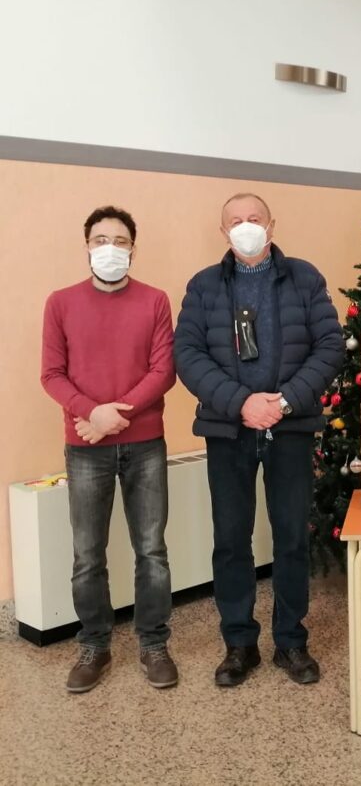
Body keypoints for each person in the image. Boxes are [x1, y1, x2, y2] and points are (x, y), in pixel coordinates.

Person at [174, 193, 343, 687]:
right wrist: (242, 404)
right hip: (229, 430)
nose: (245, 227)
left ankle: (291, 641)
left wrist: (284, 401)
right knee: (231, 539)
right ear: (221, 231)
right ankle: (239, 643)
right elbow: (188, 354)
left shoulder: (305, 278)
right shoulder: (203, 286)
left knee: (291, 537)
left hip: (290, 427)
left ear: (272, 224)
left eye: (254, 219)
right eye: (235, 221)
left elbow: (329, 345)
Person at [41, 206, 178, 692]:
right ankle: (94, 644)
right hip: (84, 448)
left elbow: (164, 372)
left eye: (120, 240)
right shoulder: (60, 303)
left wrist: (112, 415)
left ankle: (153, 642)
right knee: (86, 554)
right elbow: (52, 374)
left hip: (144, 445)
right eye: (101, 239)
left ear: (133, 248)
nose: (110, 248)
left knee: (152, 551)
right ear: (86, 246)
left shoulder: (156, 300)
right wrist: (90, 413)